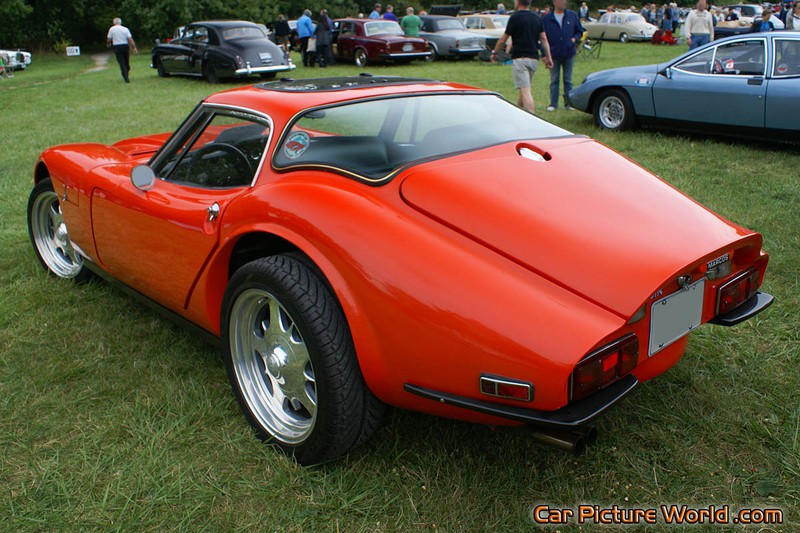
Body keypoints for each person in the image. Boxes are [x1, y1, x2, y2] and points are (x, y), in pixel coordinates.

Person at [491, 0, 554, 113]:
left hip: (520, 59)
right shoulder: (537, 18)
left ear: (518, 2)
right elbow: (544, 39)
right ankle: (518, 113)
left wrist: (495, 53)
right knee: (523, 88)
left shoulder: (515, 18)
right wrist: (549, 58)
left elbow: (502, 40)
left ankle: (532, 119)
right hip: (534, 60)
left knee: (525, 91)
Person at [542, 0, 583, 111]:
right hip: (553, 54)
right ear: (555, 2)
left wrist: (574, 39)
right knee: (554, 80)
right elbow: (542, 37)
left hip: (568, 53)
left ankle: (569, 103)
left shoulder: (572, 16)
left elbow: (579, 31)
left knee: (568, 80)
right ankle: (553, 104)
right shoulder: (547, 19)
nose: (564, 2)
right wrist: (544, 55)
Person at [107, 18, 137, 83]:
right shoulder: (125, 29)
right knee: (126, 61)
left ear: (114, 23)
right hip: (125, 46)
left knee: (121, 62)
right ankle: (126, 74)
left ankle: (125, 74)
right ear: (120, 22)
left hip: (117, 47)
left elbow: (109, 38)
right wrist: (134, 47)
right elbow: (130, 39)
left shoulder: (111, 29)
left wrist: (108, 44)